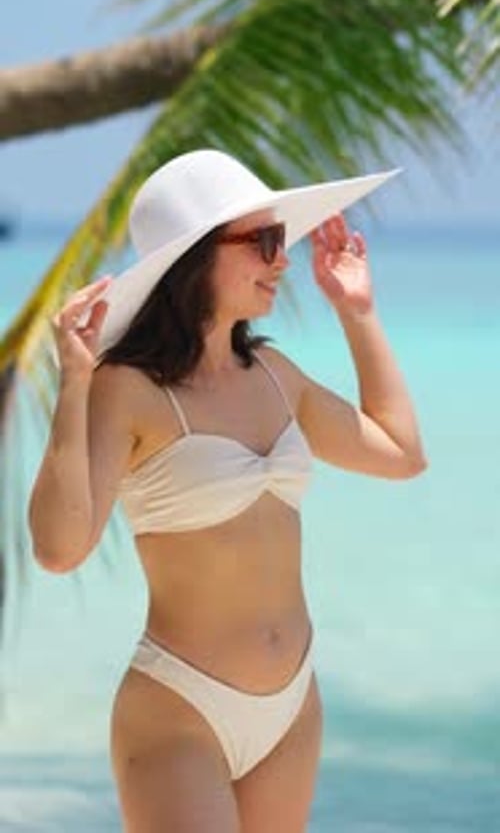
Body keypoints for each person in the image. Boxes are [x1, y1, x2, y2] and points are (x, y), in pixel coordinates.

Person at [28, 149, 427, 833]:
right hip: (180, 713)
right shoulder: (127, 390)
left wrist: (357, 312)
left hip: (293, 706)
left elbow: (400, 454)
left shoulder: (274, 373)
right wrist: (75, 382)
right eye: (265, 241)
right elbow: (59, 549)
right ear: (196, 260)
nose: (284, 259)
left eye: (282, 240)